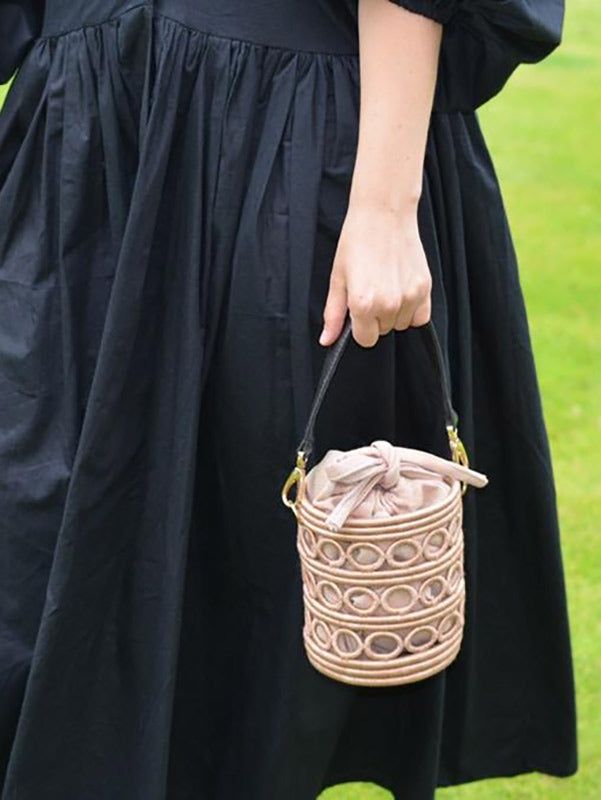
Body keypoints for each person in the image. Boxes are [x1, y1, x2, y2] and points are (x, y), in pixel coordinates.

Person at [0, 1, 577, 799]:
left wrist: (381, 205)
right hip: (82, 135)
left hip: (270, 135)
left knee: (245, 629)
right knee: (35, 573)